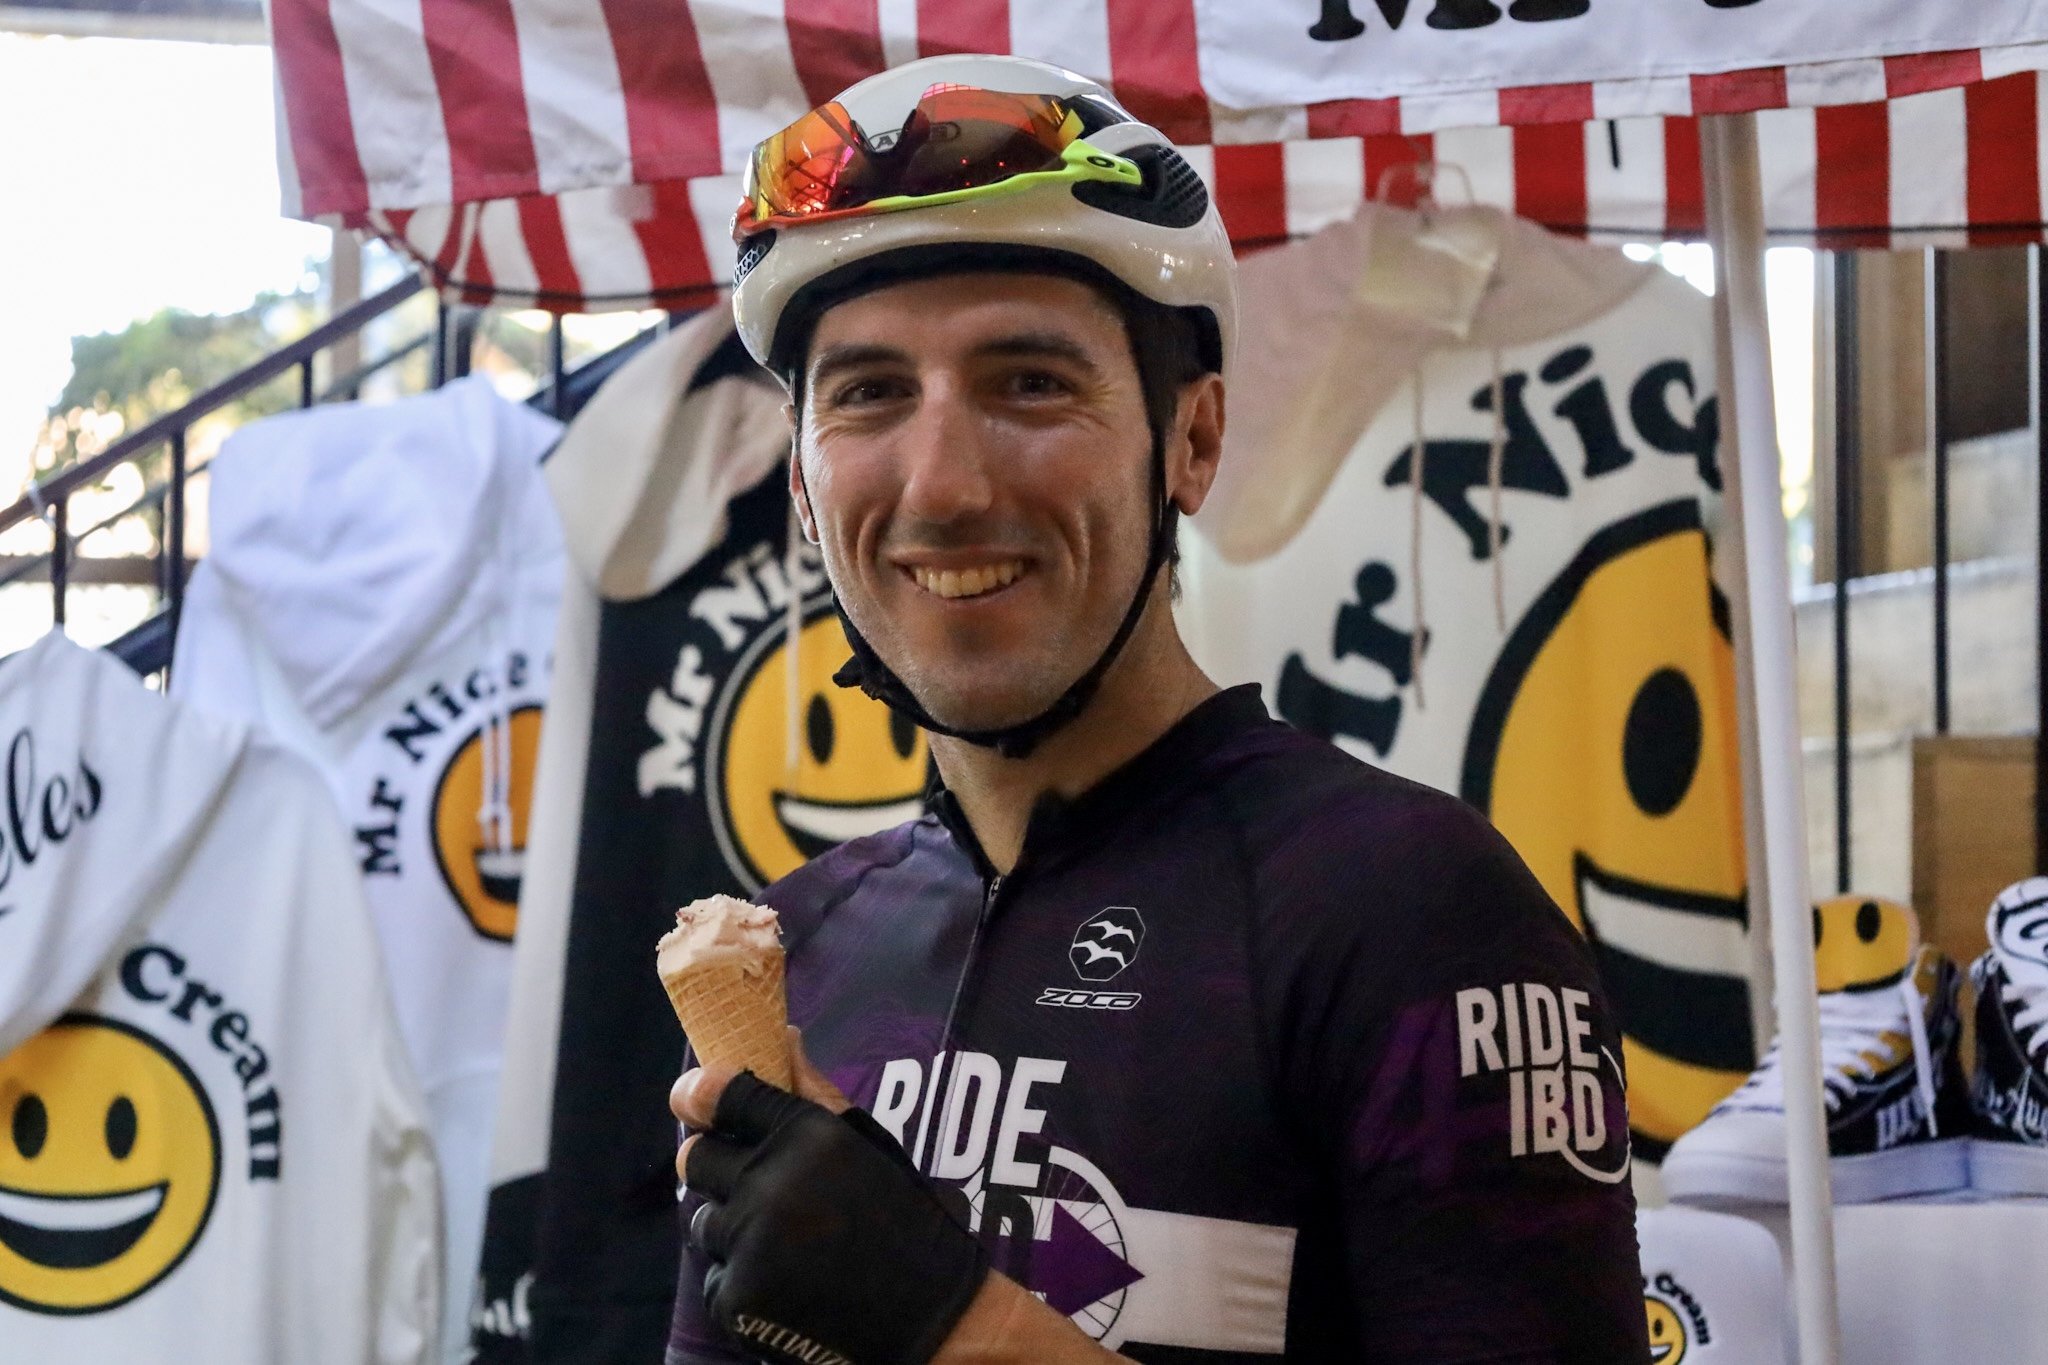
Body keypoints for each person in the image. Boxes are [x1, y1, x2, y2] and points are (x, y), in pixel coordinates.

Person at [666, 53, 1649, 1365]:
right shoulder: (798, 946)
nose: (944, 483)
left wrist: (962, 1327)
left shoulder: (1411, 916)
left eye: (1029, 382)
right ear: (801, 487)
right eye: (869, 393)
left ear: (1191, 442)